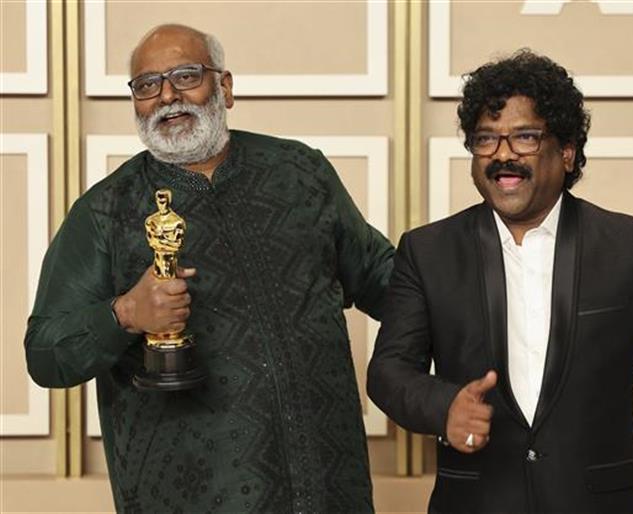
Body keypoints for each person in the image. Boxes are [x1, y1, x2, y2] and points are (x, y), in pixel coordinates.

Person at [25, 24, 393, 513]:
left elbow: (383, 279)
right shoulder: (104, 212)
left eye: (186, 75)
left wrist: (477, 287)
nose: (167, 96)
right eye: (147, 85)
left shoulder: (301, 172)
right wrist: (125, 314)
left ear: (225, 87)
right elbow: (45, 353)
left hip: (331, 489)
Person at [367, 49, 633, 514]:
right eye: (485, 139)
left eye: (525, 137)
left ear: (567, 152)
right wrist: (444, 406)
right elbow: (388, 372)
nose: (503, 154)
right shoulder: (428, 252)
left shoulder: (632, 246)